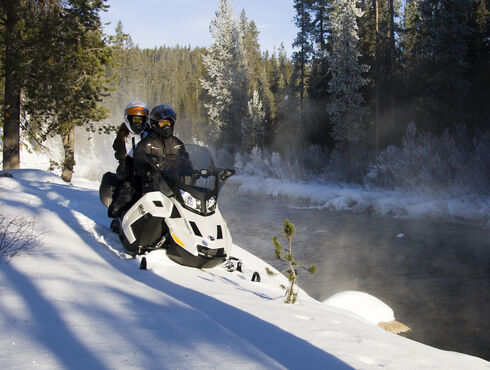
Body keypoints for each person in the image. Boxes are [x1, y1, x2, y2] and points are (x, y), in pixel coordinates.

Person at [133, 104, 190, 191]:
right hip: (153, 188)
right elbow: (138, 166)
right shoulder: (146, 144)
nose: (166, 126)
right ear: (154, 124)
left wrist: (190, 169)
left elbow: (186, 161)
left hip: (178, 188)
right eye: (162, 123)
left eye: (168, 122)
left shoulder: (177, 143)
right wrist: (149, 170)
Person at [108, 100, 149, 218]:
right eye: (135, 119)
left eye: (140, 120)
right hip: (129, 164)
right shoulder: (123, 133)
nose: (137, 123)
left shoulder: (148, 133)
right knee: (127, 188)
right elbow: (118, 148)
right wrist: (122, 160)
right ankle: (118, 212)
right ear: (128, 119)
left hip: (146, 165)